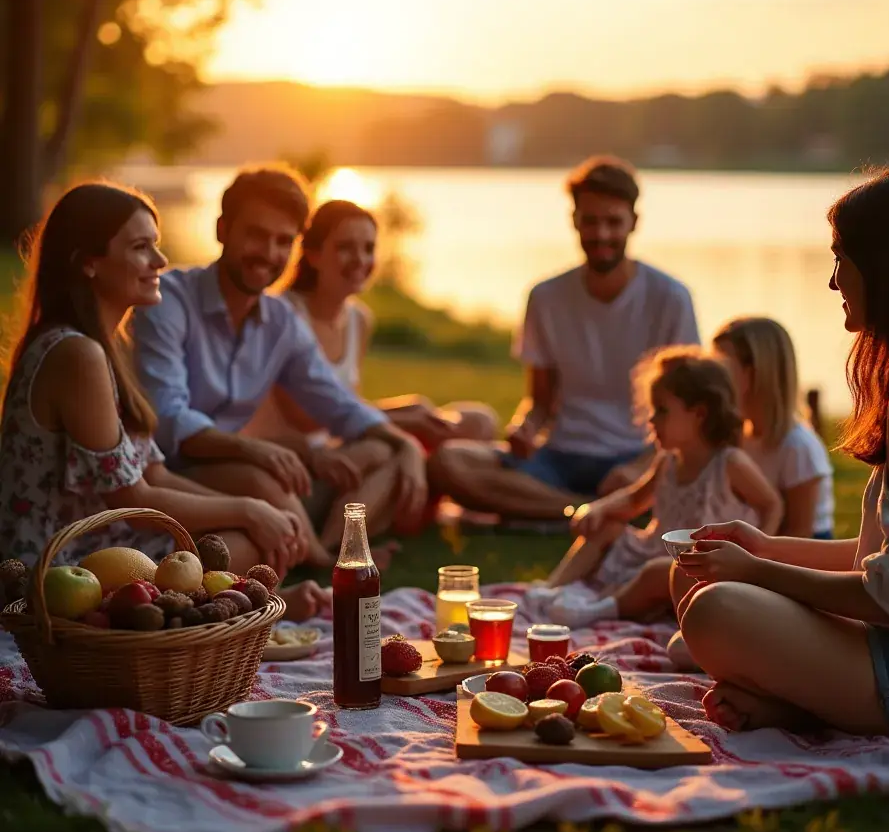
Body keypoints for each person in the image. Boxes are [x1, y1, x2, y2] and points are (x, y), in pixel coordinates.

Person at [674, 169, 889, 750]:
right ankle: (802, 702)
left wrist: (757, 572)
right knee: (699, 577)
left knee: (716, 611)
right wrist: (766, 547)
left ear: (888, 267)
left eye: (842, 259)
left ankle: (808, 708)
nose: (834, 280)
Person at [0, 182, 327, 620]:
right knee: (242, 543)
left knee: (238, 537)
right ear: (89, 262)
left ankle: (264, 606)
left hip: (105, 544)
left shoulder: (104, 347)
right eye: (140, 248)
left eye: (156, 244)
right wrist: (248, 511)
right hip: (58, 573)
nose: (160, 260)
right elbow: (132, 499)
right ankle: (266, 610)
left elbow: (154, 472)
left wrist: (254, 511)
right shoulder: (77, 354)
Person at [132, 165, 428, 565]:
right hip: (165, 475)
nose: (269, 254)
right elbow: (168, 419)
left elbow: (339, 404)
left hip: (240, 470)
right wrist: (256, 450)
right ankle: (323, 559)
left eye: (283, 241)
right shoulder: (167, 300)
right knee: (259, 478)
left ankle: (325, 548)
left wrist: (406, 445)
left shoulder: (280, 321)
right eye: (256, 235)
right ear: (222, 229)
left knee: (377, 449)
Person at [428, 156, 701, 521]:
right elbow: (539, 401)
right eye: (590, 221)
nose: (601, 234)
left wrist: (642, 469)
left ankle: (567, 508)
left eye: (613, 222)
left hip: (634, 458)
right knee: (448, 462)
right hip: (558, 458)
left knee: (679, 477)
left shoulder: (671, 298)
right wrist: (525, 428)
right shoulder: (545, 296)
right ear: (574, 220)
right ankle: (579, 513)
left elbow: (688, 416)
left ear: (634, 222)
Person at [245, 198, 497, 544]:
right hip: (299, 459)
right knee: (384, 448)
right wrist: (403, 422)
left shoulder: (359, 319)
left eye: (368, 248)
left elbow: (349, 404)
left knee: (477, 421)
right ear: (313, 254)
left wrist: (410, 410)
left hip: (340, 446)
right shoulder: (284, 315)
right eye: (345, 248)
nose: (360, 260)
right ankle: (339, 546)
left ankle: (435, 498)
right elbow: (310, 417)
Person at [529, 347, 782, 627]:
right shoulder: (668, 461)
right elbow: (634, 500)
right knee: (607, 527)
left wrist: (756, 552)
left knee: (661, 570)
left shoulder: (730, 463)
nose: (651, 420)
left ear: (699, 414)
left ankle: (599, 611)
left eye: (661, 410)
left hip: (697, 567)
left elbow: (771, 504)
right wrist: (597, 508)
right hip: (652, 548)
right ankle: (553, 587)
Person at [712, 317, 834, 538]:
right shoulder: (739, 435)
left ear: (757, 371)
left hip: (798, 552)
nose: (712, 377)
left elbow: (799, 534)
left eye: (722, 367)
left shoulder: (798, 447)